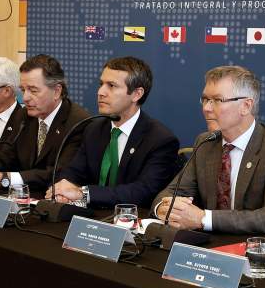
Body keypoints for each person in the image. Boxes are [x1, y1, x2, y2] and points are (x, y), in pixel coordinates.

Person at [152, 65, 265, 236]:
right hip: (209, 248)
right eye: (205, 99)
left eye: (217, 100)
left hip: (258, 251)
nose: (206, 108)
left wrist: (203, 218)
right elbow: (172, 192)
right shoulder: (206, 143)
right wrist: (163, 209)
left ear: (246, 106)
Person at [48, 56, 179, 208]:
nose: (100, 92)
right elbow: (73, 171)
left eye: (111, 85)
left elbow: (143, 191)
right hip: (91, 219)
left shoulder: (160, 139)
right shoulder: (93, 129)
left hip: (130, 221)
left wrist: (84, 194)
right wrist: (62, 189)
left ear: (137, 94)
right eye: (101, 84)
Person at [0, 54, 90, 195]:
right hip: (24, 197)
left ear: (57, 91)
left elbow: (59, 173)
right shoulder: (23, 116)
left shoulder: (78, 122)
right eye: (23, 90)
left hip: (54, 201)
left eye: (33, 90)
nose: (26, 97)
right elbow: (6, 156)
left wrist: (6, 179)